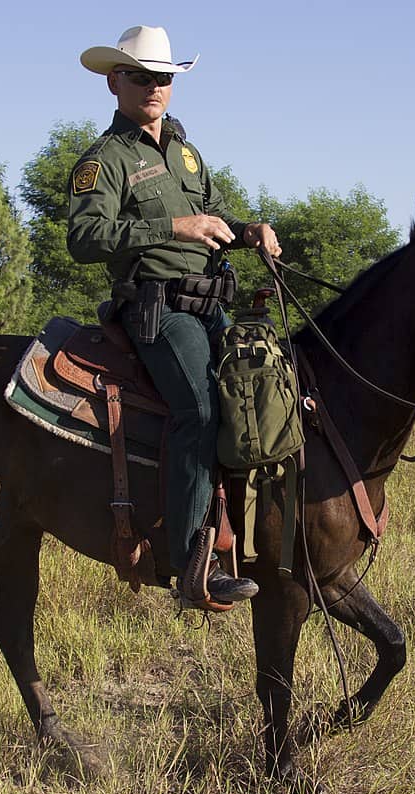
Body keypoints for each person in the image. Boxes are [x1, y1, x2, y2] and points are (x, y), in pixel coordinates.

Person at [66, 26, 281, 605]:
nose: (154, 87)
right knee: (200, 410)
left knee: (265, 393)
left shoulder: (186, 154)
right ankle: (192, 563)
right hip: (157, 309)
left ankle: (267, 536)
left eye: (163, 77)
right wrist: (172, 227)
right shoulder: (104, 160)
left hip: (211, 302)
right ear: (115, 81)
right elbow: (84, 238)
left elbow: (209, 220)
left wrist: (246, 231)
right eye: (140, 76)